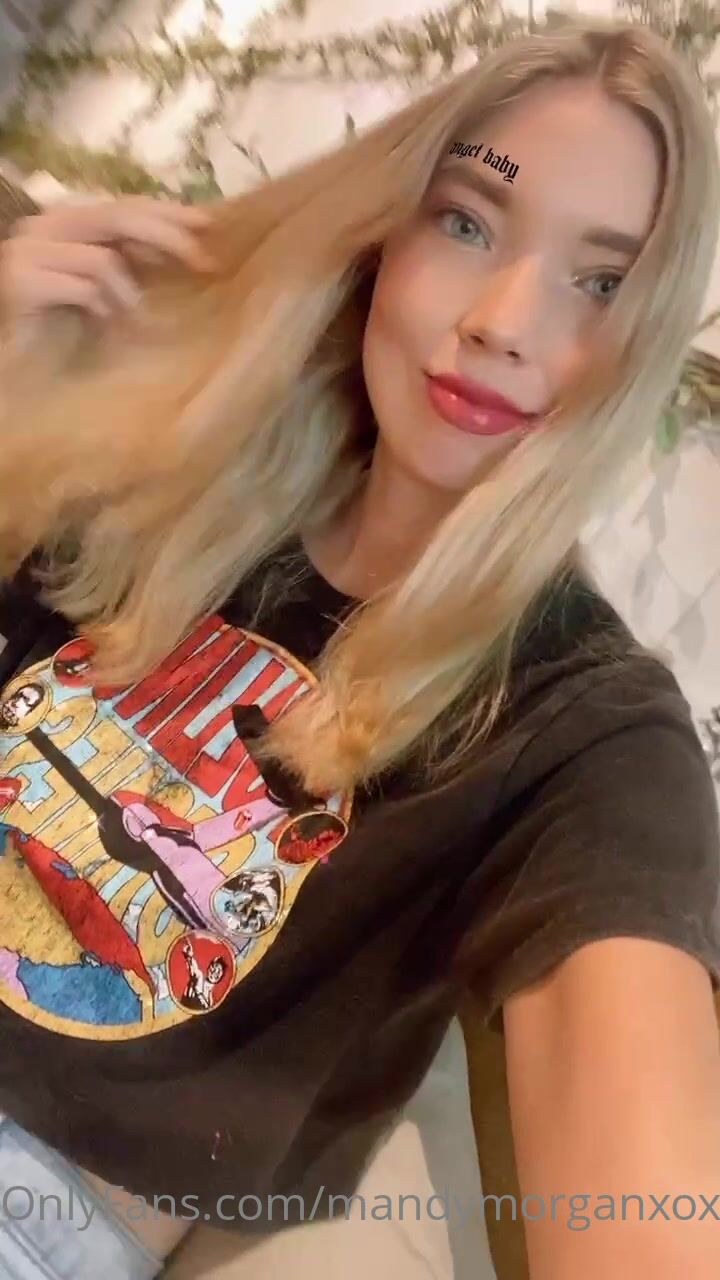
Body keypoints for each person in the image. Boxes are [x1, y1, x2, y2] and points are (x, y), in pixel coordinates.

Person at [0, 16, 718, 1280]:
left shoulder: (584, 733)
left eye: (602, 281)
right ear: (384, 233)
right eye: (469, 221)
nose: (504, 321)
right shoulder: (175, 470)